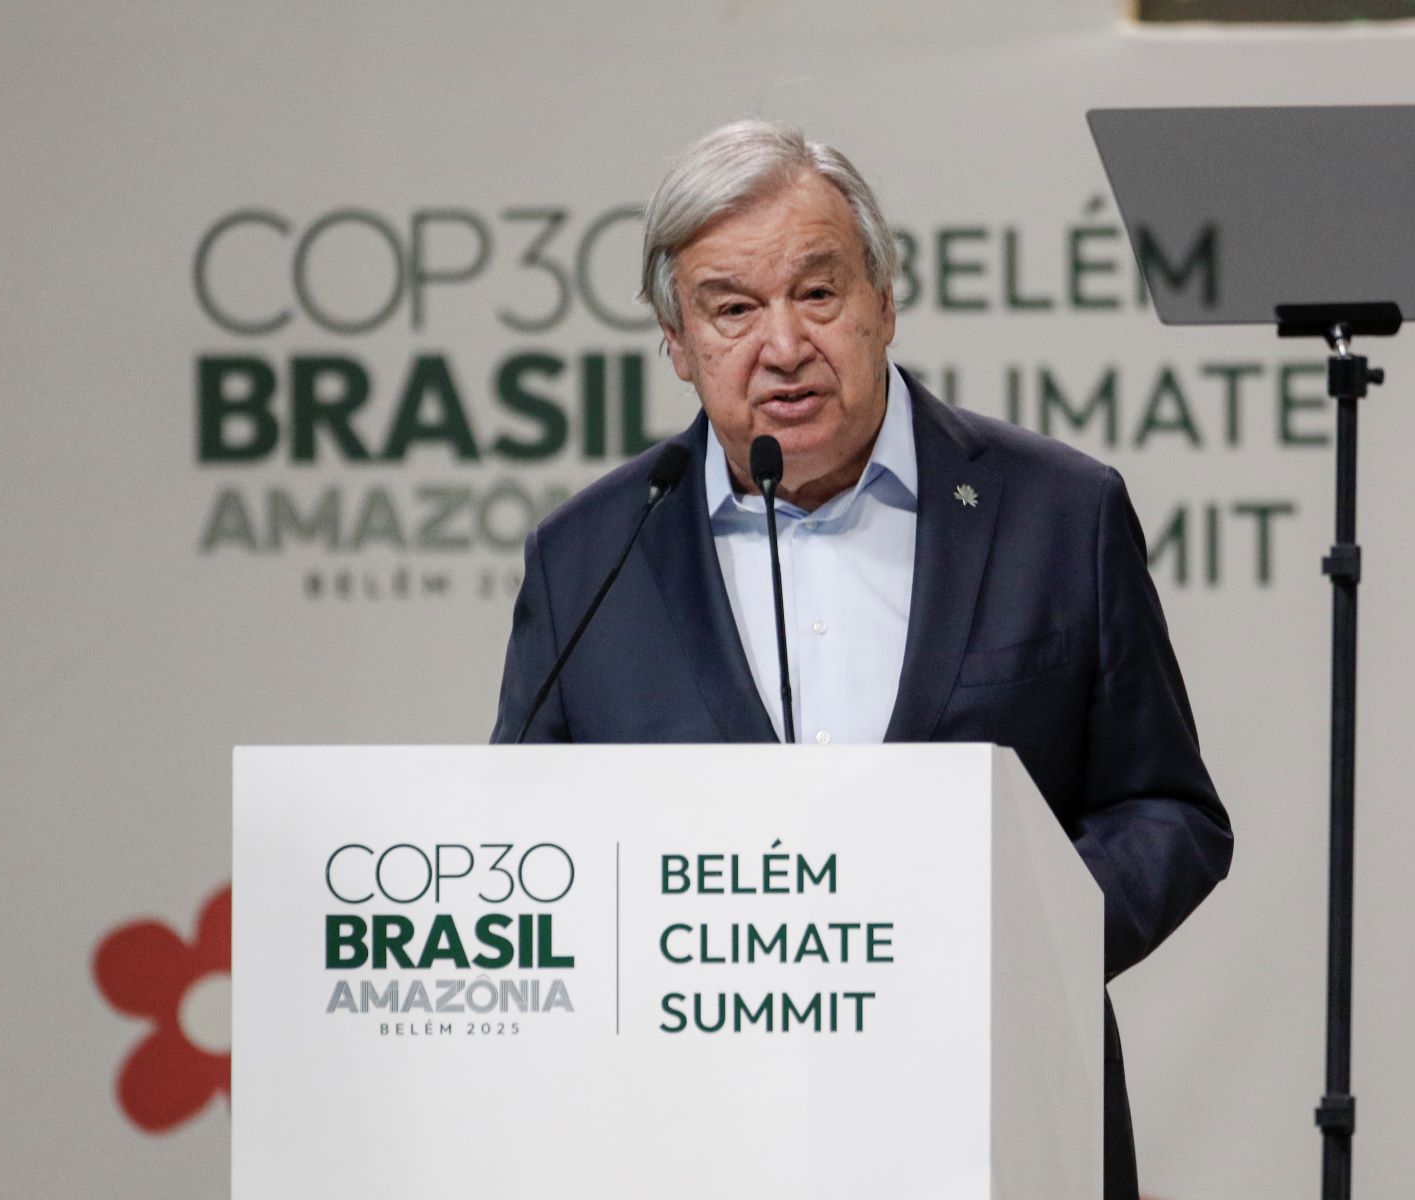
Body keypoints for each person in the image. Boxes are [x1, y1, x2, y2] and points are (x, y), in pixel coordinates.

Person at [493, 119, 1231, 1199]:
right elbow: (523, 855)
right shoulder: (588, 558)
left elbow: (1167, 812)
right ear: (676, 341)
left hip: (998, 1116)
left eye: (819, 293)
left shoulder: (1056, 514)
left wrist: (1012, 944)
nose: (781, 344)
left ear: (886, 301)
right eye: (731, 309)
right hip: (693, 1136)